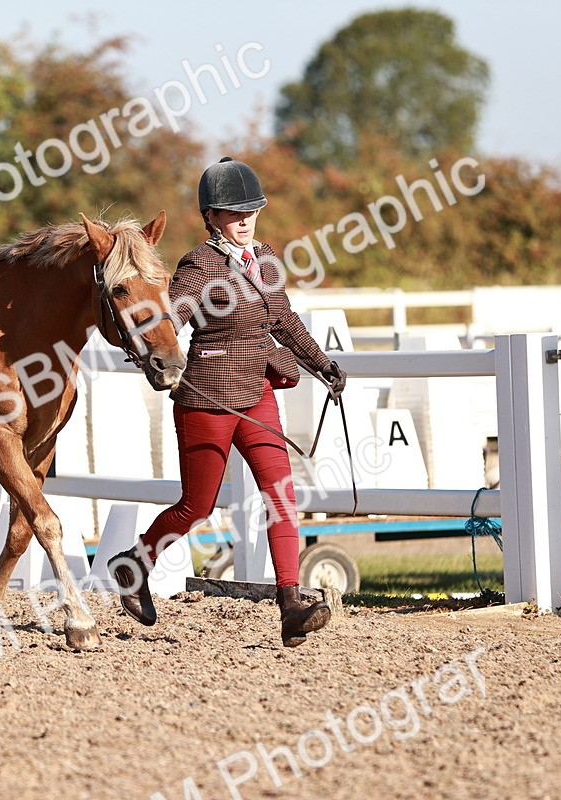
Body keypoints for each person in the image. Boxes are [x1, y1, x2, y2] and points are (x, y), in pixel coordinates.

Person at [107, 156, 347, 647]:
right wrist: (153, 350)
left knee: (280, 496)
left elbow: (283, 319)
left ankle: (290, 604)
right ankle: (134, 565)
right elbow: (172, 315)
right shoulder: (200, 264)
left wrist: (322, 364)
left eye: (250, 211)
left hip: (257, 394)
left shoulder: (266, 258)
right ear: (211, 217)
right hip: (207, 398)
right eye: (233, 213)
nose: (244, 220)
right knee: (198, 505)